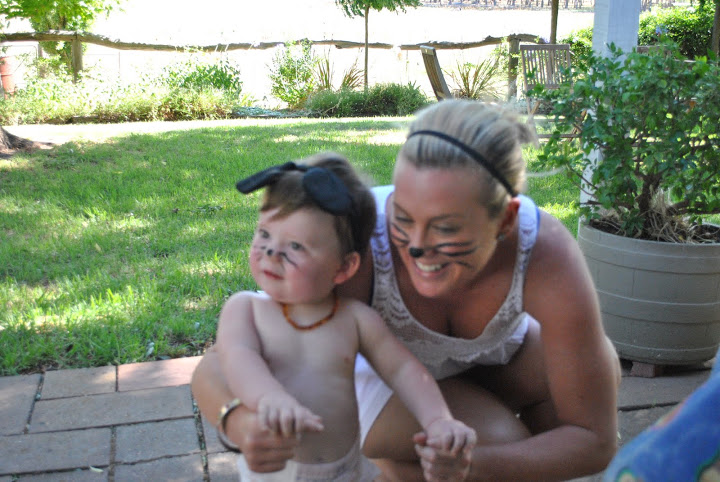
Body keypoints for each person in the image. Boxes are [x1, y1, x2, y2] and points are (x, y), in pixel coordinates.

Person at [192, 100, 621, 481]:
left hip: (476, 364)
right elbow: (219, 365)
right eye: (402, 214)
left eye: (446, 227)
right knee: (503, 439)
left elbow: (594, 440)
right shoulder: (359, 247)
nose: (416, 246)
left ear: (506, 220)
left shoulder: (544, 253)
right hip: (375, 375)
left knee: (592, 374)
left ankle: (417, 469)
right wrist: (238, 422)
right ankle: (397, 465)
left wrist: (474, 468)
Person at [212, 152, 477, 481]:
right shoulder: (247, 309)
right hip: (278, 471)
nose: (271, 252)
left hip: (347, 470)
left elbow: (403, 369)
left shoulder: (355, 319)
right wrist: (269, 398)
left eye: (295, 246)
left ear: (344, 267)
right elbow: (238, 358)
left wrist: (438, 420)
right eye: (264, 234)